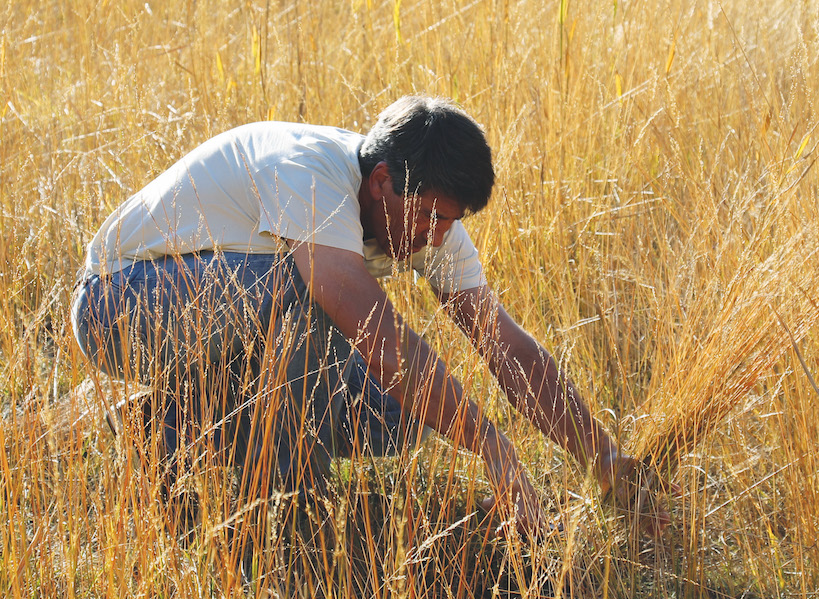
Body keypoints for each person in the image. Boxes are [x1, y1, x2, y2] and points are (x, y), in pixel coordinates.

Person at [71, 94, 654, 536]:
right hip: (119, 305)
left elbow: (507, 347)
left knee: (403, 415)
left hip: (222, 315)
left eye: (452, 222)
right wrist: (493, 447)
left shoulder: (431, 222)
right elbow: (373, 327)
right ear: (382, 182)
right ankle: (281, 505)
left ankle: (163, 422)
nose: (437, 237)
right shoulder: (307, 168)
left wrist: (602, 459)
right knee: (313, 295)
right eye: (429, 216)